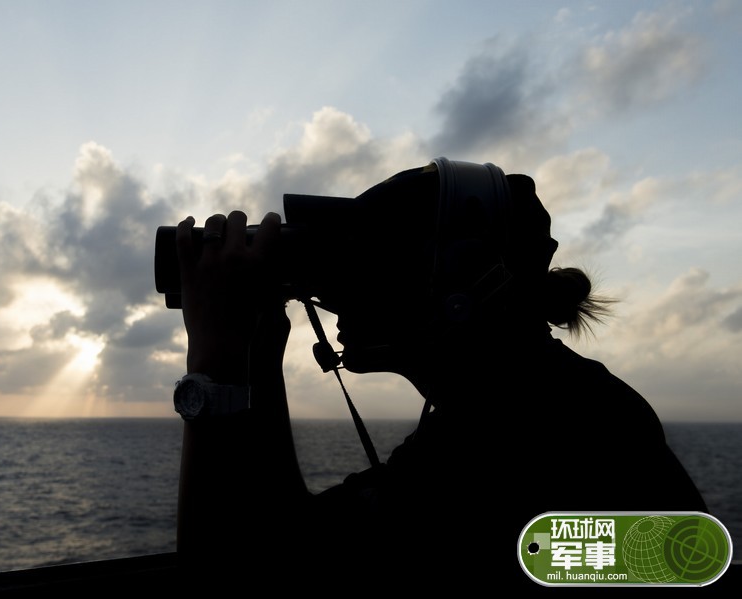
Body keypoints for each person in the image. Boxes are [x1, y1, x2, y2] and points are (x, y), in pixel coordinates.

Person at [170, 158, 707, 587]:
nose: (335, 294)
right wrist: (260, 353)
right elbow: (296, 537)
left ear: (460, 291)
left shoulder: (515, 440)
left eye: (370, 266)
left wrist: (213, 354)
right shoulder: (537, 400)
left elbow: (227, 582)